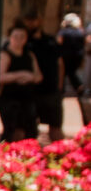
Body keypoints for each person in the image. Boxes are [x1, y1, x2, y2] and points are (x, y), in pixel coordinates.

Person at [0, 22, 43, 142]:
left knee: (29, 130)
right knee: (11, 130)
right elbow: (0, 77)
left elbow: (38, 76)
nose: (19, 39)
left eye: (22, 36)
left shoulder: (29, 55)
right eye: (15, 36)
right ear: (10, 37)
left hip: (27, 99)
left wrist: (31, 77)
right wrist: (20, 75)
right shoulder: (5, 55)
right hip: (9, 99)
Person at [25, 10, 66, 142]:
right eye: (28, 20)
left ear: (40, 21)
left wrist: (59, 87)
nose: (31, 23)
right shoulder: (24, 42)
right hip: (31, 91)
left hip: (51, 90)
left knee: (55, 127)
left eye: (33, 19)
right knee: (29, 128)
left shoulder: (51, 41)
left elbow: (60, 64)